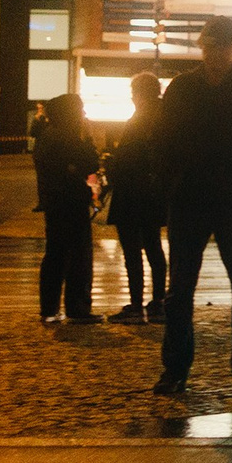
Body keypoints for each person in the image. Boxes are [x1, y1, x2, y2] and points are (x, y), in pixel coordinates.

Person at [152, 17, 232, 400]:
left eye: (220, 47)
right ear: (203, 47)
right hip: (193, 198)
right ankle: (176, 369)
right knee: (180, 289)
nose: (214, 54)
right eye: (209, 47)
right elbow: (161, 139)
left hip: (228, 200)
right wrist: (173, 181)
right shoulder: (186, 88)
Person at [103, 72, 168, 323]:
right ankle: (159, 301)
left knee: (132, 251)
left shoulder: (139, 120)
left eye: (133, 92)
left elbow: (128, 158)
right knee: (153, 247)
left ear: (140, 94)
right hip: (152, 195)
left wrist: (113, 165)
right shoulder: (162, 118)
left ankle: (136, 304)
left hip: (131, 194)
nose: (132, 97)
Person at [34, 92, 102, 326]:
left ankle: (49, 308)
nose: (83, 114)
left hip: (54, 203)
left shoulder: (47, 136)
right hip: (72, 201)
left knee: (56, 255)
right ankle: (78, 308)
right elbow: (90, 162)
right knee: (79, 257)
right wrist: (89, 138)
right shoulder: (69, 137)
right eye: (80, 110)